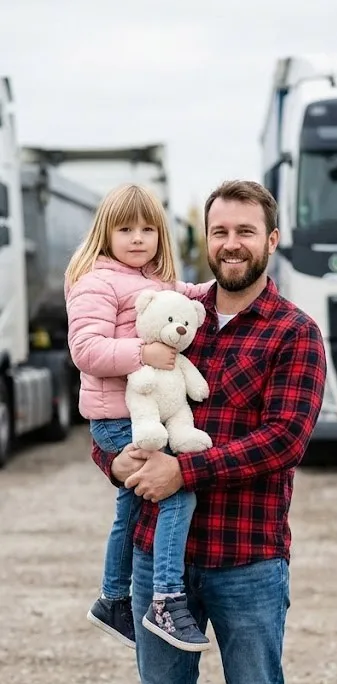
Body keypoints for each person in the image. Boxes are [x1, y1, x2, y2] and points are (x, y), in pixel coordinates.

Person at [91, 180, 326, 684]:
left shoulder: (292, 332)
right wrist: (120, 464)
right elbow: (117, 406)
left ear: (271, 239)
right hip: (157, 549)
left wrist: (185, 468)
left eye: (245, 231)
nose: (231, 243)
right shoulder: (168, 318)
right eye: (219, 230)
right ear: (205, 239)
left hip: (249, 557)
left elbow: (284, 441)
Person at [66, 184, 213, 652]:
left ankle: (112, 599)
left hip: (138, 415)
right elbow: (85, 350)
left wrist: (229, 285)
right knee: (176, 492)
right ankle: (166, 601)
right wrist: (141, 351)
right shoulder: (97, 282)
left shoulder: (156, 282)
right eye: (125, 228)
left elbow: (194, 295)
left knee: (130, 507)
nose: (137, 238)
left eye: (148, 229)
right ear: (104, 233)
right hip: (117, 418)